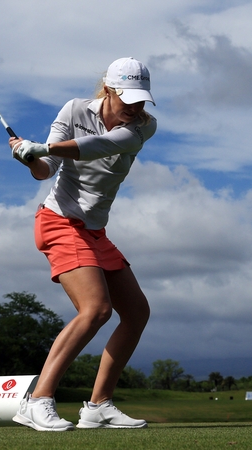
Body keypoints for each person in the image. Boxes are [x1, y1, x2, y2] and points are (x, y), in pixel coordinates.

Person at [9, 57, 157, 432]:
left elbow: (99, 146)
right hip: (59, 221)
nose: (136, 108)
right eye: (128, 99)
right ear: (108, 90)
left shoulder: (144, 127)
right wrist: (29, 157)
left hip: (94, 230)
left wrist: (42, 148)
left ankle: (98, 407)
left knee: (136, 312)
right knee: (96, 309)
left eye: (141, 99)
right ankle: (37, 400)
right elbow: (45, 171)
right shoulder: (74, 109)